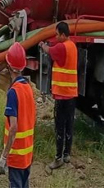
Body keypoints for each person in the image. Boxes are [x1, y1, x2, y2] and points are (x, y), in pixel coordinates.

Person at [0, 43, 36, 188]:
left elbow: (13, 128)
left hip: (17, 155)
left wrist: (4, 156)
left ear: (8, 65)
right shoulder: (28, 87)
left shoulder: (13, 92)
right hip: (27, 153)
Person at [39, 21, 78, 170]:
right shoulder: (72, 46)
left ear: (62, 34)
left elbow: (50, 51)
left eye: (57, 34)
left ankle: (58, 158)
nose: (56, 36)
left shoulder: (61, 47)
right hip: (71, 95)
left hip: (62, 96)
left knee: (59, 127)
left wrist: (42, 45)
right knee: (69, 125)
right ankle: (67, 154)